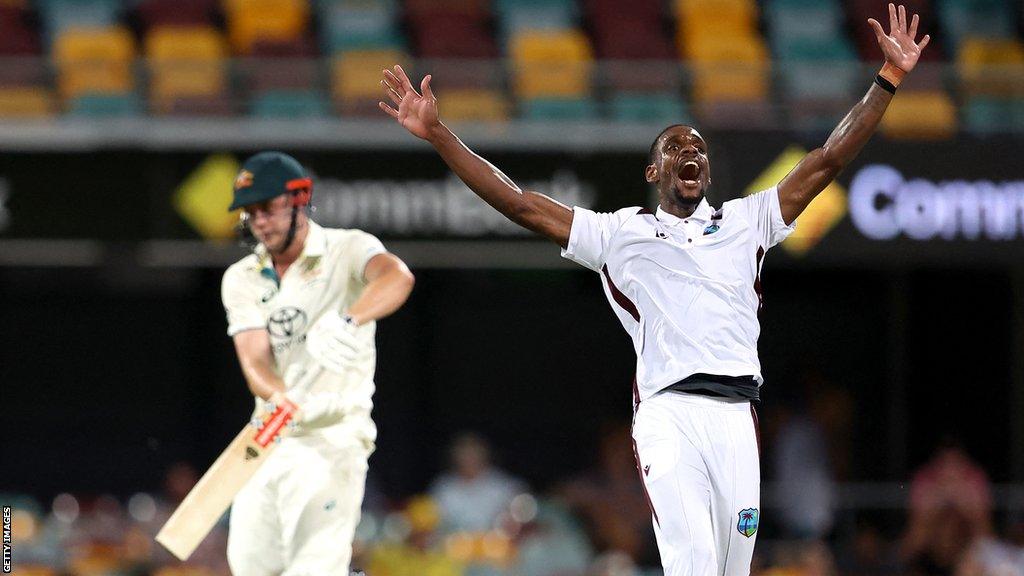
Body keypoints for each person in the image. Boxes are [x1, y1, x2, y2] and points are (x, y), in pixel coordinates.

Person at [380, 3, 929, 574]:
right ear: (652, 173)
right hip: (670, 414)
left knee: (731, 567)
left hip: (738, 416)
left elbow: (827, 159)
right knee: (690, 562)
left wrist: (886, 80)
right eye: (675, 146)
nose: (690, 151)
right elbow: (519, 203)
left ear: (708, 172)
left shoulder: (748, 222)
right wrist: (440, 134)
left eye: (698, 147)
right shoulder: (619, 233)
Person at [220, 151, 415, 575]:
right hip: (269, 436)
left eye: (268, 209)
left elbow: (397, 276)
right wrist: (287, 402)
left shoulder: (347, 249)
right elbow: (255, 364)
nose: (260, 222)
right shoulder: (241, 277)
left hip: (334, 439)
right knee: (250, 568)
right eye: (251, 214)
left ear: (299, 198)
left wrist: (349, 321)